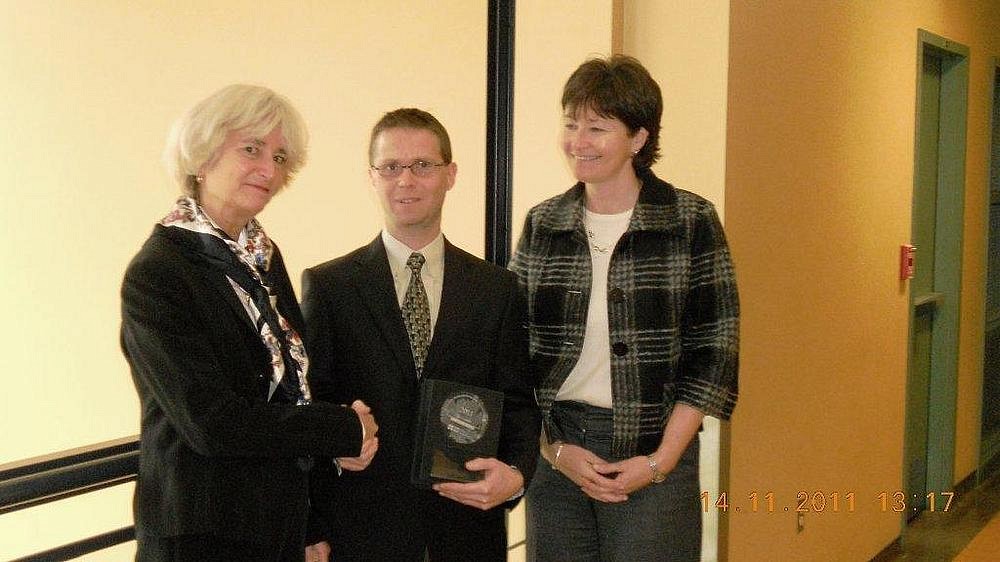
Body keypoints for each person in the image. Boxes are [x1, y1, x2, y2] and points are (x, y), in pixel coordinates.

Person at [120, 84, 379, 562]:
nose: (269, 170)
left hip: (273, 526)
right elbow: (211, 422)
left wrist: (310, 524)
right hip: (201, 536)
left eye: (279, 157)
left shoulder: (261, 256)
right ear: (202, 156)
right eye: (252, 149)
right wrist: (340, 429)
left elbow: (289, 390)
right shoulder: (159, 271)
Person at [508, 55, 740, 561]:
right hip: (559, 451)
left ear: (638, 138)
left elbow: (714, 351)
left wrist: (659, 462)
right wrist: (552, 449)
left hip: (655, 446)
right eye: (571, 124)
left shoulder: (689, 220)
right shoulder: (544, 223)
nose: (578, 141)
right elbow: (511, 344)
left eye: (597, 128)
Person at [301, 108, 540, 562]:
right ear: (372, 178)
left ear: (451, 175)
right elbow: (312, 403)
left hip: (468, 530)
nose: (406, 180)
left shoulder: (496, 289)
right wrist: (314, 519)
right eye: (391, 167)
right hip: (362, 533)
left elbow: (518, 404)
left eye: (423, 165)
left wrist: (515, 476)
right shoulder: (330, 286)